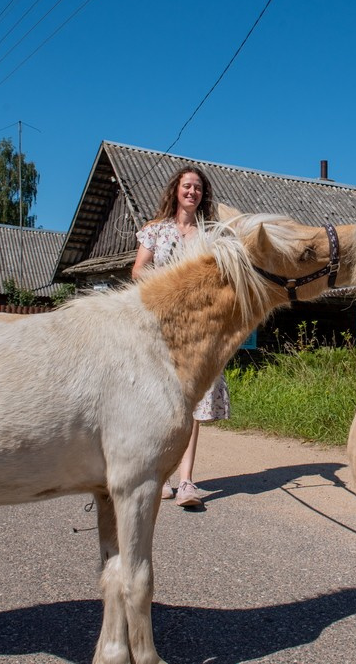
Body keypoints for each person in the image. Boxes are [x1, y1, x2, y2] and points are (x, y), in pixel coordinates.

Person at [132, 165, 230, 508]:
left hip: (199, 328)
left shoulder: (211, 234)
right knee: (161, 402)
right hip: (164, 324)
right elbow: (138, 269)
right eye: (187, 186)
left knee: (192, 403)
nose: (192, 192)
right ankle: (162, 475)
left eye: (198, 188)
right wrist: (168, 284)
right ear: (176, 190)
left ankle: (187, 482)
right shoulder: (156, 231)